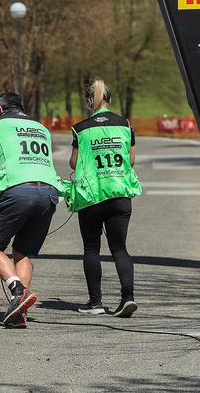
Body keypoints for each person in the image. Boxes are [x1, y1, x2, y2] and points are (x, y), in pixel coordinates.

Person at [0, 91, 62, 328]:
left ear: (0, 110)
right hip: (49, 192)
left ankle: (18, 290)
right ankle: (19, 312)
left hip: (17, 190)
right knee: (22, 251)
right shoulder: (41, 127)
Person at [68, 79, 141, 318]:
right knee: (120, 248)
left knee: (91, 248)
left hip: (91, 196)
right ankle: (127, 298)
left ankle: (95, 302)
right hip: (119, 193)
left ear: (91, 101)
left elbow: (74, 163)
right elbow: (130, 160)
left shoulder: (80, 128)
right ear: (108, 99)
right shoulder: (125, 124)